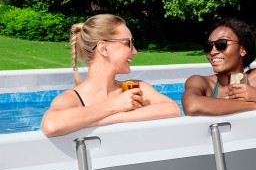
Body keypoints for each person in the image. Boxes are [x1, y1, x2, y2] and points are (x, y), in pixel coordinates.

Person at [41, 14, 181, 136]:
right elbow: (51, 124)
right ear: (104, 48)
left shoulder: (136, 88)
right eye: (128, 43)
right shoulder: (71, 99)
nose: (135, 51)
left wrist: (114, 118)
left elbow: (173, 109)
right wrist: (114, 106)